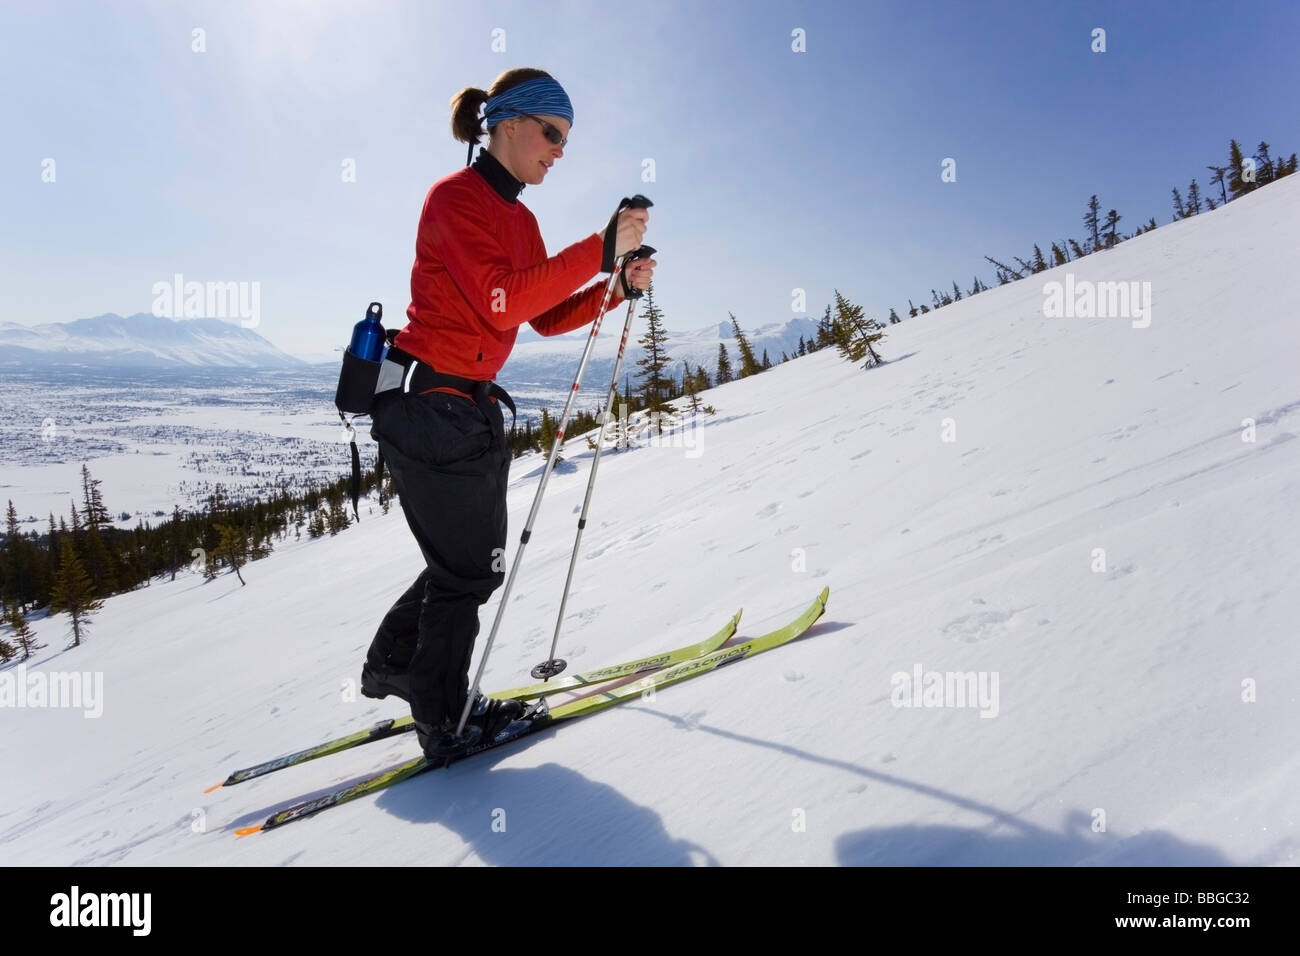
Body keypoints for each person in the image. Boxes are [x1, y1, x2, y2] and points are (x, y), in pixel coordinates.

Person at [359, 68, 656, 759]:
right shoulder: (455, 200)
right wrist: (598, 248)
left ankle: (399, 664)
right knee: (466, 571)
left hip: (464, 411)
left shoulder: (519, 219)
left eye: (565, 141)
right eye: (552, 134)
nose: (558, 150)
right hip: (428, 405)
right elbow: (500, 301)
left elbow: (543, 315)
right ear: (510, 123)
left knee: (473, 566)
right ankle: (442, 720)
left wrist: (613, 284)